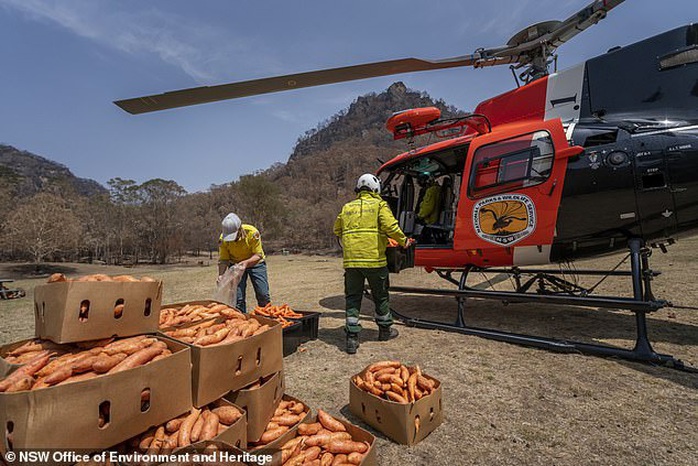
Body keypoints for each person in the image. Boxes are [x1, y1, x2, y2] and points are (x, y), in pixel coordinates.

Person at [333, 174, 414, 354]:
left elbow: (336, 229)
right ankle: (385, 330)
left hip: (352, 263)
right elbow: (391, 227)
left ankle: (352, 338)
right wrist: (404, 241)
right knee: (381, 295)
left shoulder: (347, 207)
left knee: (353, 297)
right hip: (375, 262)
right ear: (375, 189)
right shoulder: (379, 205)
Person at [217, 213, 271, 313]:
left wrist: (245, 263)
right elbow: (224, 259)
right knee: (238, 298)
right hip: (235, 265)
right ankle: (241, 318)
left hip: (255, 263)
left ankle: (267, 316)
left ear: (240, 228)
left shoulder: (252, 233)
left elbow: (258, 255)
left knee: (263, 294)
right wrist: (221, 275)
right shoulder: (223, 239)